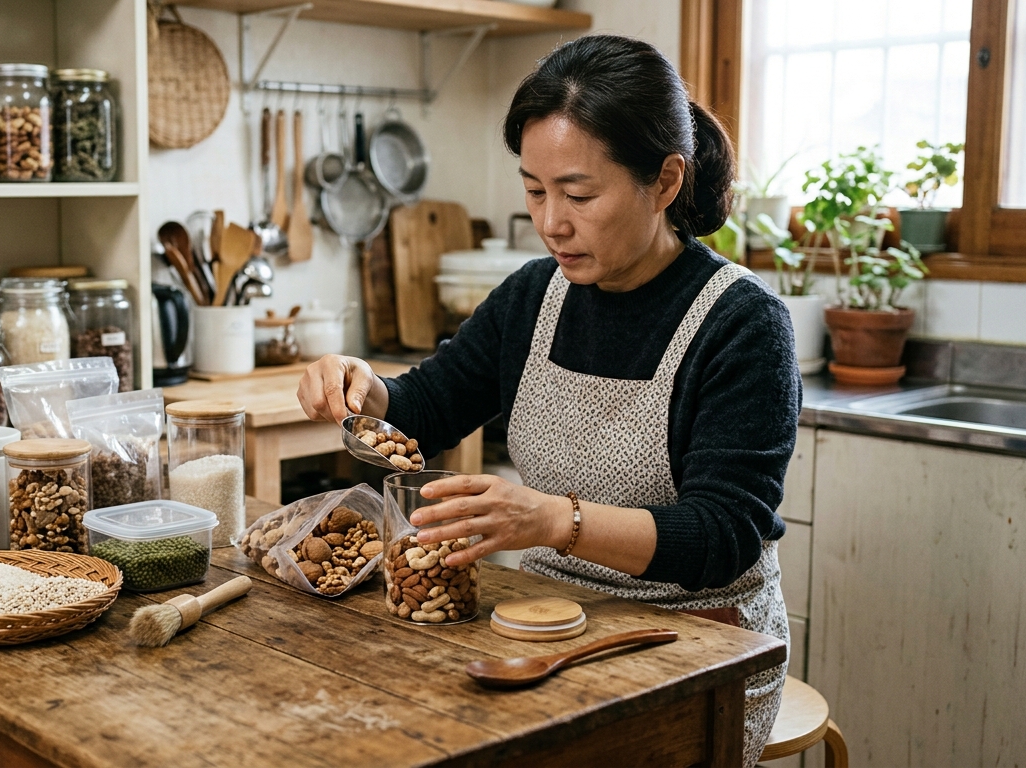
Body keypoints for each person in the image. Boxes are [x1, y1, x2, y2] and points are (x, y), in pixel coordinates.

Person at [297, 35, 799, 766]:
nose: (551, 221)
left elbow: (722, 537)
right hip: (536, 621)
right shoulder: (535, 294)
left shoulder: (743, 324)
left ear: (664, 181)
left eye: (579, 193)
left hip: (697, 644)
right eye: (534, 190)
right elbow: (425, 407)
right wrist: (359, 385)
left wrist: (552, 520)